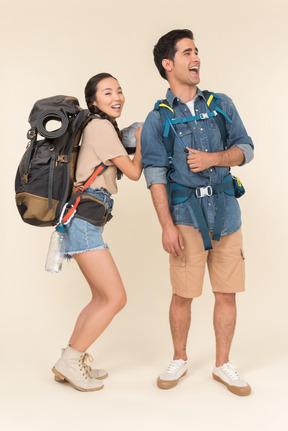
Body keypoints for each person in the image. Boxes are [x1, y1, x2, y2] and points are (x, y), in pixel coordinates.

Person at [141, 30, 254, 396]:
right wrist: (166, 226)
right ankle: (180, 358)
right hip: (186, 218)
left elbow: (246, 148)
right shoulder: (157, 120)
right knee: (183, 294)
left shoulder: (221, 104)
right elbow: (155, 176)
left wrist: (215, 159)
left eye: (197, 51)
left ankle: (223, 365)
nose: (197, 58)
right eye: (187, 52)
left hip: (226, 214)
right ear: (168, 64)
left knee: (227, 292)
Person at [52, 73, 142, 392]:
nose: (117, 96)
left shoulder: (99, 127)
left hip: (82, 218)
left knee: (100, 297)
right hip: (84, 221)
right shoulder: (100, 127)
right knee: (116, 298)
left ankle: (71, 359)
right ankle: (71, 360)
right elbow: (132, 172)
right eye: (108, 92)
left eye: (119, 90)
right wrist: (142, 142)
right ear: (94, 101)